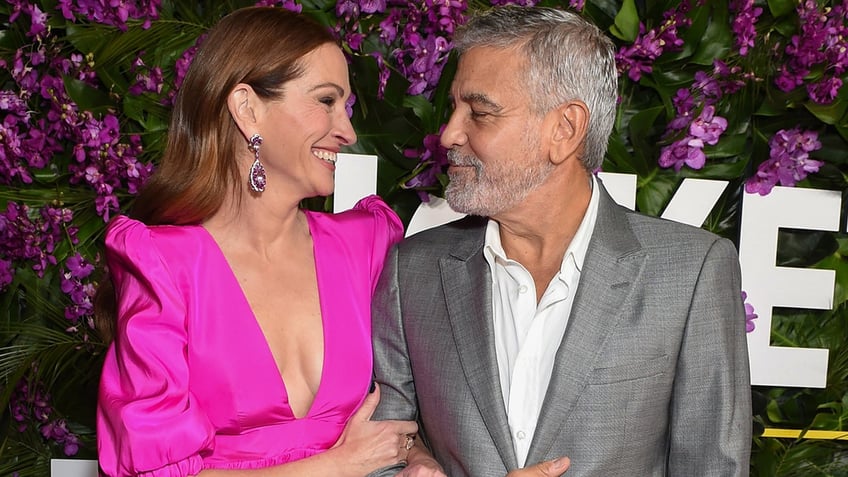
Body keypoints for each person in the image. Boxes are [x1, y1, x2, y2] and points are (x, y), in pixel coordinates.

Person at [370, 6, 752, 477]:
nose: (449, 133)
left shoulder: (691, 272)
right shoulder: (414, 271)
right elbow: (380, 450)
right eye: (453, 108)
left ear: (564, 130)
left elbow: (713, 468)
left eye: (481, 112)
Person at [94, 7, 418, 477]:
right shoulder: (165, 265)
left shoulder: (367, 243)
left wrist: (421, 454)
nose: (347, 131)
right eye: (326, 101)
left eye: (345, 106)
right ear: (248, 109)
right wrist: (338, 465)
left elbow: (433, 396)